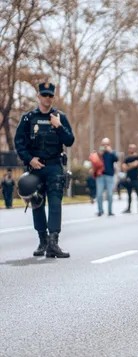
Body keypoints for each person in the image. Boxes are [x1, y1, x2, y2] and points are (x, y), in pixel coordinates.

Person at [13, 81, 73, 258]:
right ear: (38, 96)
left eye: (50, 95)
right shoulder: (28, 118)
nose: (47, 98)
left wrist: (59, 126)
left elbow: (69, 140)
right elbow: (19, 143)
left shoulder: (59, 117)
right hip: (36, 168)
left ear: (53, 98)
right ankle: (42, 241)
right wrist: (29, 159)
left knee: (55, 204)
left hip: (54, 166)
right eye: (44, 95)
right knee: (37, 204)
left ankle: (53, 243)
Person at [96, 138, 118, 216]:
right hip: (100, 175)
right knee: (99, 194)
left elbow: (116, 159)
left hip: (109, 176)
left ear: (109, 144)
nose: (105, 146)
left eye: (107, 144)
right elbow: (94, 160)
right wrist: (100, 154)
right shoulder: (99, 153)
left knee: (110, 194)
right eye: (103, 144)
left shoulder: (112, 152)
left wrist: (111, 152)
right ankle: (100, 210)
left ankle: (110, 211)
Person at [122, 144, 138, 214]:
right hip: (128, 178)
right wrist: (131, 165)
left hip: (135, 178)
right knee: (129, 194)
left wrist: (128, 165)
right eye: (130, 148)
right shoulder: (126, 158)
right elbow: (124, 167)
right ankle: (129, 208)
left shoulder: (137, 157)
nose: (131, 149)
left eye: (133, 148)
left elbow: (136, 164)